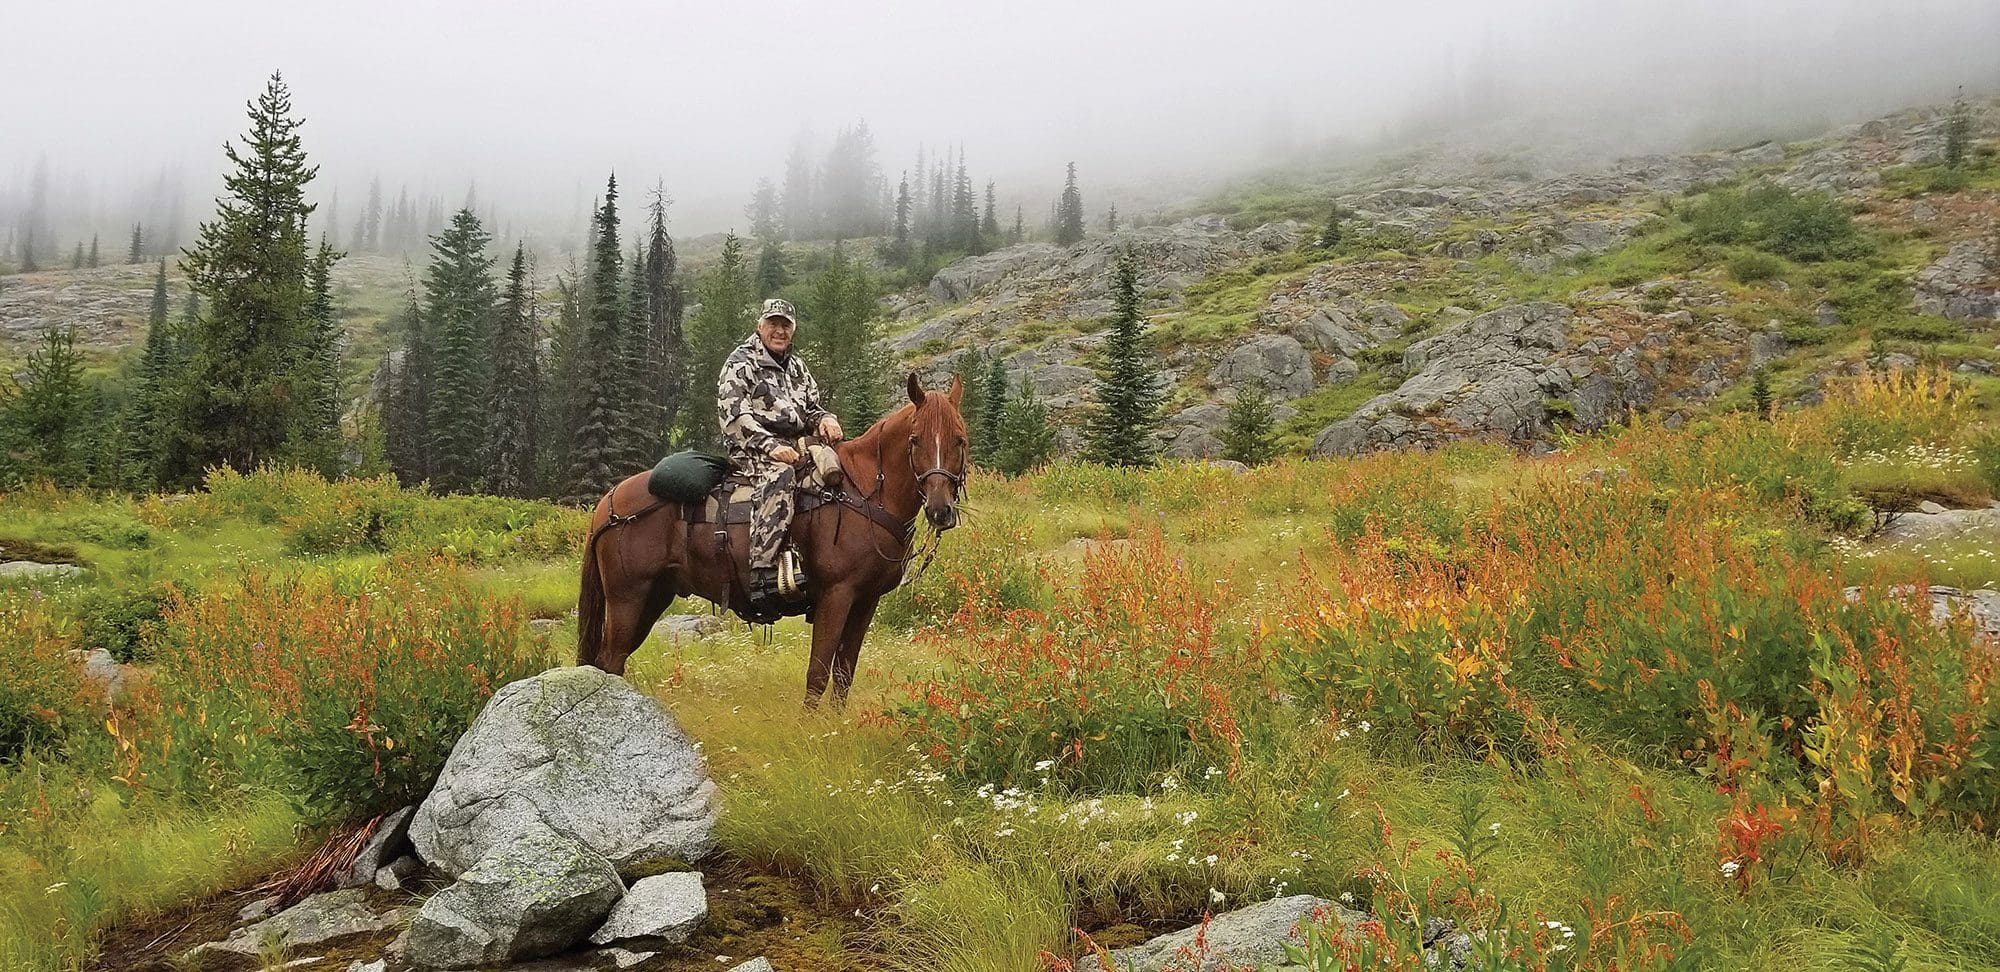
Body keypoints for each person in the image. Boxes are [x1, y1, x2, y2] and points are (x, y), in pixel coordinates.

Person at [717, 298, 844, 605]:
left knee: (835, 476)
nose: (779, 330)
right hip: (751, 447)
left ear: (793, 330)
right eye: (773, 324)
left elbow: (811, 408)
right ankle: (763, 569)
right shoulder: (740, 363)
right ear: (760, 326)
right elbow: (734, 417)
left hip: (796, 445)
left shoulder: (797, 367)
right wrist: (771, 446)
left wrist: (826, 418)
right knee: (781, 476)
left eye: (785, 325)